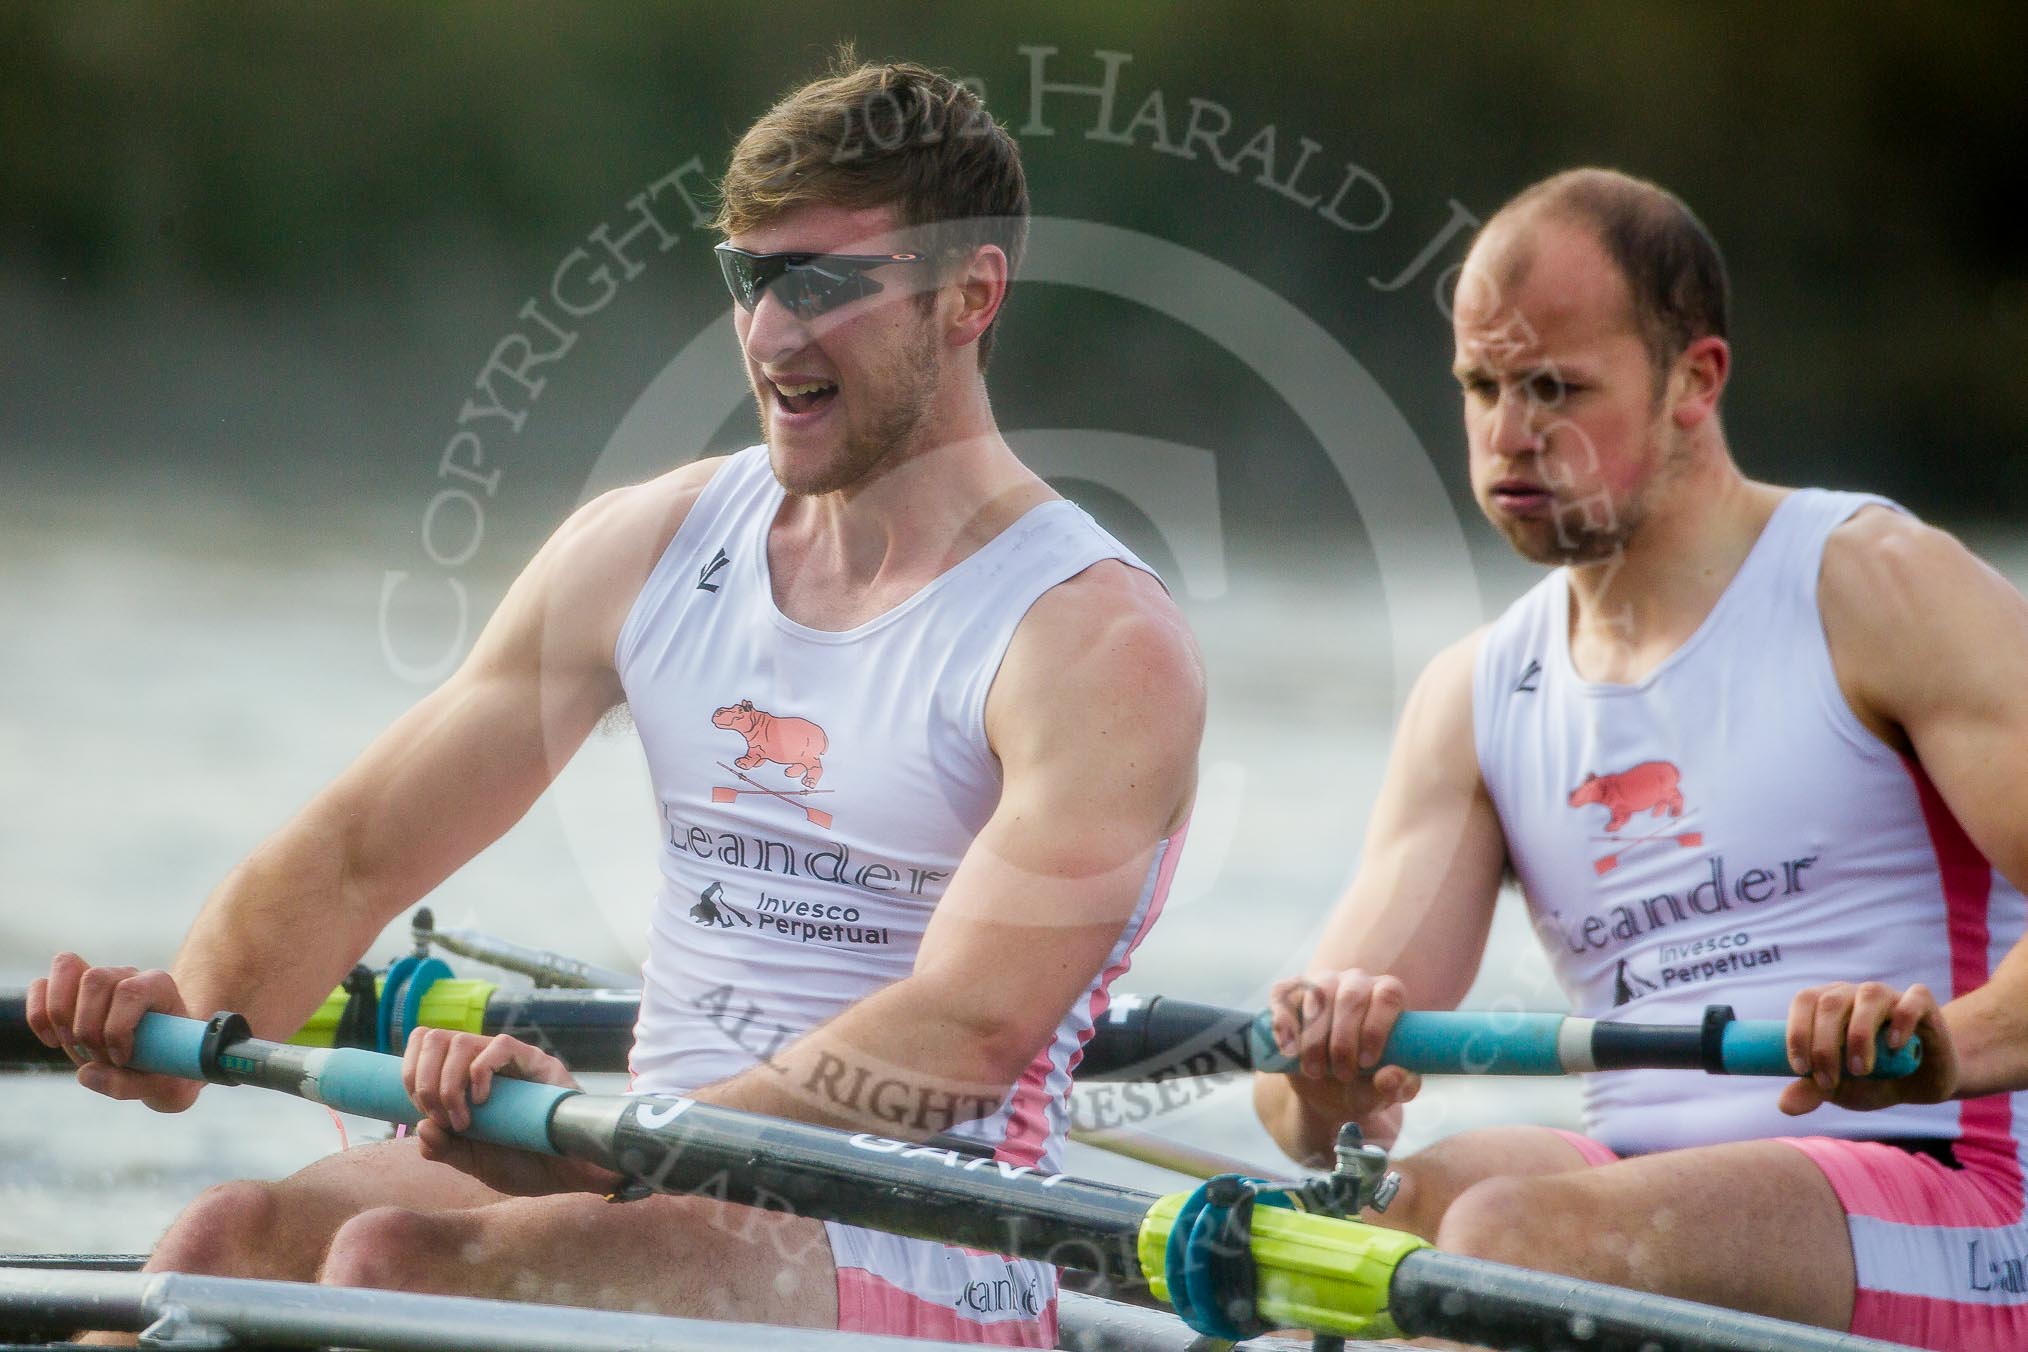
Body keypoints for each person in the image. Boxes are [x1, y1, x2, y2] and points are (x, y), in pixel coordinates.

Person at [28, 57, 1203, 1347]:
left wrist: (629, 1152)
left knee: (395, 1266)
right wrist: (189, 1019)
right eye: (750, 278)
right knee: (219, 1248)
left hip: (922, 1235)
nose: (769, 333)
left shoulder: (1092, 639)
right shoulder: (646, 549)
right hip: (648, 1161)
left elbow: (963, 1033)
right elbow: (361, 848)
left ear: (969, 295)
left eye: (820, 282)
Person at [1253, 167, 2028, 1349]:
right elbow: (1302, 1118)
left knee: (1512, 1240)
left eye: (1555, 389)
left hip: (1954, 1190)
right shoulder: (1477, 694)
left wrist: (1945, 1047)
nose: (1508, 436)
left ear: (1694, 382)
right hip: (1642, 1185)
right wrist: (1327, 1080)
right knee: (1390, 1219)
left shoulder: (1878, 587)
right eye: (1481, 385)